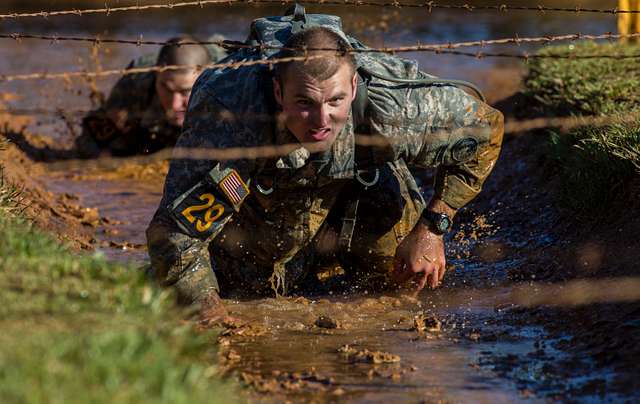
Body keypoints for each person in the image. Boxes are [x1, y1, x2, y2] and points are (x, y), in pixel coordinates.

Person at [146, 10, 504, 324]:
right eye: (304, 103)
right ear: (277, 92)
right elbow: (175, 235)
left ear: (352, 86)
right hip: (258, 208)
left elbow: (486, 131)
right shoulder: (229, 118)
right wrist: (207, 312)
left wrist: (433, 227)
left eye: (335, 101)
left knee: (400, 289)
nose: (321, 120)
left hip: (360, 191)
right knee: (236, 291)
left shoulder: (395, 107)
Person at [75, 35, 227, 157]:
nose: (174, 104)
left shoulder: (227, 85)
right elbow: (92, 139)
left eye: (185, 91)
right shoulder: (136, 82)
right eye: (166, 89)